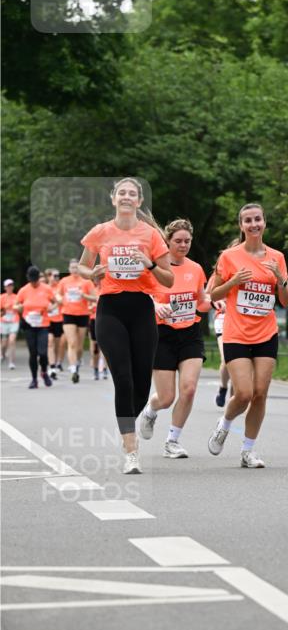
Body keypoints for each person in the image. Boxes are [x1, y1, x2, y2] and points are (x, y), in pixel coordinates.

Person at [77, 177, 173, 474]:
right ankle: (131, 449)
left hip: (141, 309)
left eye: (132, 193)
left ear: (139, 201)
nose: (127, 197)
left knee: (142, 383)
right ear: (114, 198)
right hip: (110, 309)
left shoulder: (151, 235)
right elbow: (82, 266)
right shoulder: (100, 231)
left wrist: (149, 264)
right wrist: (91, 272)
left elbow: (169, 279)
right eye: (122, 192)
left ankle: (127, 425)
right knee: (123, 378)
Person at [207, 203, 288, 467]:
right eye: (248, 220)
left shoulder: (277, 257)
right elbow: (213, 294)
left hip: (266, 333)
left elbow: (286, 300)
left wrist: (280, 280)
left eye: (257, 219)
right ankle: (224, 424)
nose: (254, 224)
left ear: (264, 222)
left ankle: (248, 450)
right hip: (237, 333)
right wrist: (233, 282)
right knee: (243, 393)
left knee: (260, 393)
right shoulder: (229, 256)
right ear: (241, 226)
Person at [138, 218, 210, 458]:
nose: (183, 245)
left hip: (190, 334)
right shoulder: (155, 268)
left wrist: (214, 302)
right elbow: (140, 295)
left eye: (187, 241)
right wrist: (156, 305)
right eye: (178, 241)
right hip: (162, 335)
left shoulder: (196, 268)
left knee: (188, 389)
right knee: (167, 397)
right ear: (167, 242)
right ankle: (151, 409)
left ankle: (172, 441)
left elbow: (201, 301)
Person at [56, 258, 97, 383]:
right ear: (69, 269)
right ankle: (73, 369)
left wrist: (84, 295)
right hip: (68, 314)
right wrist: (59, 299)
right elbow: (57, 294)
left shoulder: (86, 282)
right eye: (72, 267)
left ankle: (77, 362)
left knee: (79, 346)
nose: (74, 270)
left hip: (83, 315)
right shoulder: (64, 281)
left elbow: (95, 297)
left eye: (76, 267)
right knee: (72, 343)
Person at [14, 266, 55, 389]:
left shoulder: (46, 289)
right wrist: (19, 308)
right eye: (31, 280)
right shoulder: (24, 290)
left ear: (38, 278)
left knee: (43, 353)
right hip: (29, 325)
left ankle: (44, 372)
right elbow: (16, 305)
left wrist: (51, 308)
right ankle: (34, 379)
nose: (34, 282)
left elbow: (56, 302)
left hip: (43, 325)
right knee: (33, 353)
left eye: (35, 280)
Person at [206, 270, 231, 408]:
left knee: (240, 359)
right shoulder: (219, 274)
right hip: (223, 318)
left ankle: (235, 398)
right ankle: (223, 387)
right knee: (227, 358)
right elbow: (207, 294)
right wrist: (217, 301)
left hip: (243, 320)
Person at [45, 269, 65, 377]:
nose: (56, 278)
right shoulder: (44, 288)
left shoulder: (59, 287)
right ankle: (52, 366)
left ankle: (56, 363)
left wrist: (54, 304)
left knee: (58, 344)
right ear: (48, 276)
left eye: (57, 276)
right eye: (54, 275)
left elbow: (61, 301)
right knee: (50, 342)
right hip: (47, 320)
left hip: (58, 319)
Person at [1, 278, 20, 369]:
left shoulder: (17, 297)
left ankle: (11, 362)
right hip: (3, 321)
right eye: (8, 286)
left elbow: (21, 309)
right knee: (4, 342)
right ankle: (2, 354)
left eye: (11, 285)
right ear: (5, 287)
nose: (10, 287)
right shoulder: (1, 297)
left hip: (14, 321)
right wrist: (5, 309)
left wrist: (18, 308)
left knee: (12, 340)